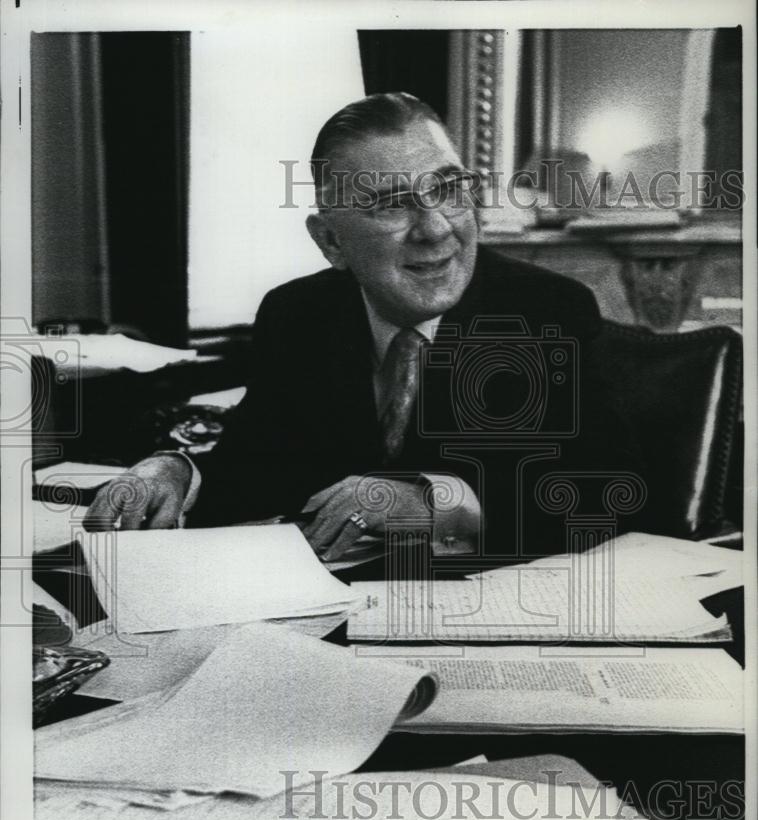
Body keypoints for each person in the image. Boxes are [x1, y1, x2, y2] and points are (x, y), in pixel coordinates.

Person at [85, 92, 641, 562]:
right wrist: (174, 472)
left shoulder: (546, 309)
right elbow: (257, 469)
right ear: (330, 241)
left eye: (449, 190)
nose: (435, 229)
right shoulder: (296, 314)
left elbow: (605, 491)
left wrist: (432, 502)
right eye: (391, 205)